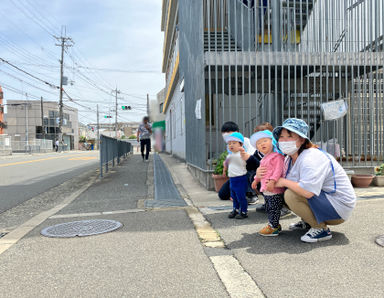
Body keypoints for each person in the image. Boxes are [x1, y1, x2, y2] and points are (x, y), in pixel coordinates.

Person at [266, 118, 356, 243]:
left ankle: (321, 229)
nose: (284, 140)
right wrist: (261, 175)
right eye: (281, 137)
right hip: (325, 201)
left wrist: (283, 182)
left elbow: (308, 192)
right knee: (278, 191)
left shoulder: (311, 158)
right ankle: (308, 222)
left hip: (338, 207)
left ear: (302, 140)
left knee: (291, 194)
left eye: (289, 136)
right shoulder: (288, 159)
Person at [240, 122, 291, 218]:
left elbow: (279, 168)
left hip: (279, 180)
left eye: (264, 139)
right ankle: (269, 202)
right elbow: (252, 166)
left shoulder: (278, 151)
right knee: (252, 176)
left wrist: (273, 179)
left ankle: (283, 206)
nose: (262, 143)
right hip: (266, 180)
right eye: (258, 140)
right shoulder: (258, 153)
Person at [250, 130, 285, 236]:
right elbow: (261, 171)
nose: (262, 144)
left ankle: (274, 226)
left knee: (274, 208)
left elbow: (278, 170)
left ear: (272, 142)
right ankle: (273, 225)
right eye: (259, 143)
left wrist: (273, 181)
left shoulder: (277, 156)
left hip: (274, 189)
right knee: (269, 208)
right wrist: (256, 180)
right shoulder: (264, 159)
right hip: (266, 189)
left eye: (265, 141)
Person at [218, 121, 258, 204]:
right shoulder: (229, 146)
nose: (228, 135)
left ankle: (251, 195)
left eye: (229, 132)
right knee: (222, 194)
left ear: (237, 133)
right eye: (225, 133)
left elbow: (252, 159)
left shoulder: (246, 141)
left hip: (249, 170)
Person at [225, 132, 249, 219]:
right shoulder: (229, 155)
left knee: (241, 196)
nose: (231, 145)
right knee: (233, 196)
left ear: (241, 144)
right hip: (232, 179)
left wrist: (243, 151)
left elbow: (247, 160)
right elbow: (227, 164)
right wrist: (225, 169)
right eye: (229, 143)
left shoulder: (242, 154)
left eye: (234, 143)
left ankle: (243, 211)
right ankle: (235, 209)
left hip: (240, 178)